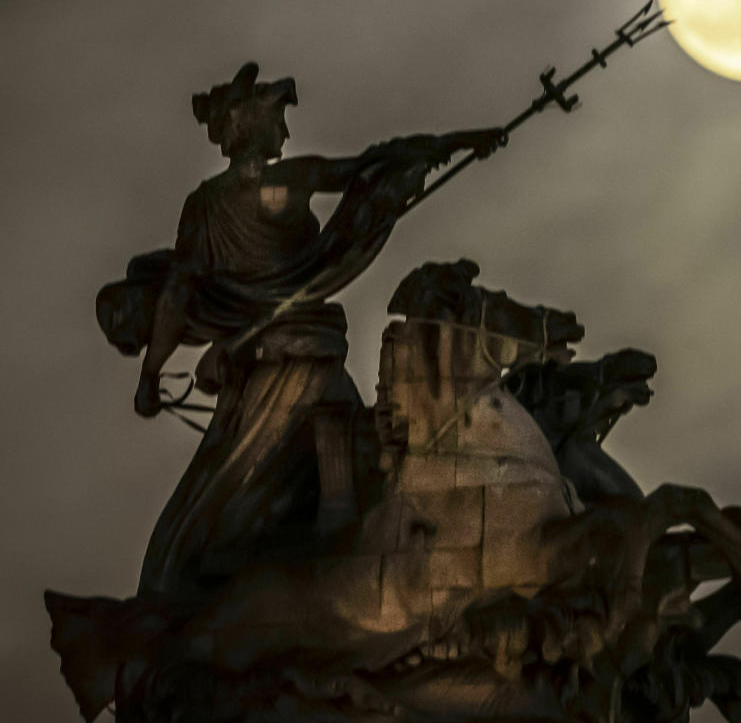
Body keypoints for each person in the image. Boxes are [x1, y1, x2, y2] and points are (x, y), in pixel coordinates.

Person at [108, 61, 504, 597]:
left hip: (268, 367)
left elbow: (179, 292)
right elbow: (372, 166)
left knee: (303, 472)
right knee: (260, 487)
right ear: (249, 126)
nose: (287, 133)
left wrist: (150, 377)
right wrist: (454, 144)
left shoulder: (204, 206)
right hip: (292, 367)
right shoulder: (280, 185)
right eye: (277, 120)